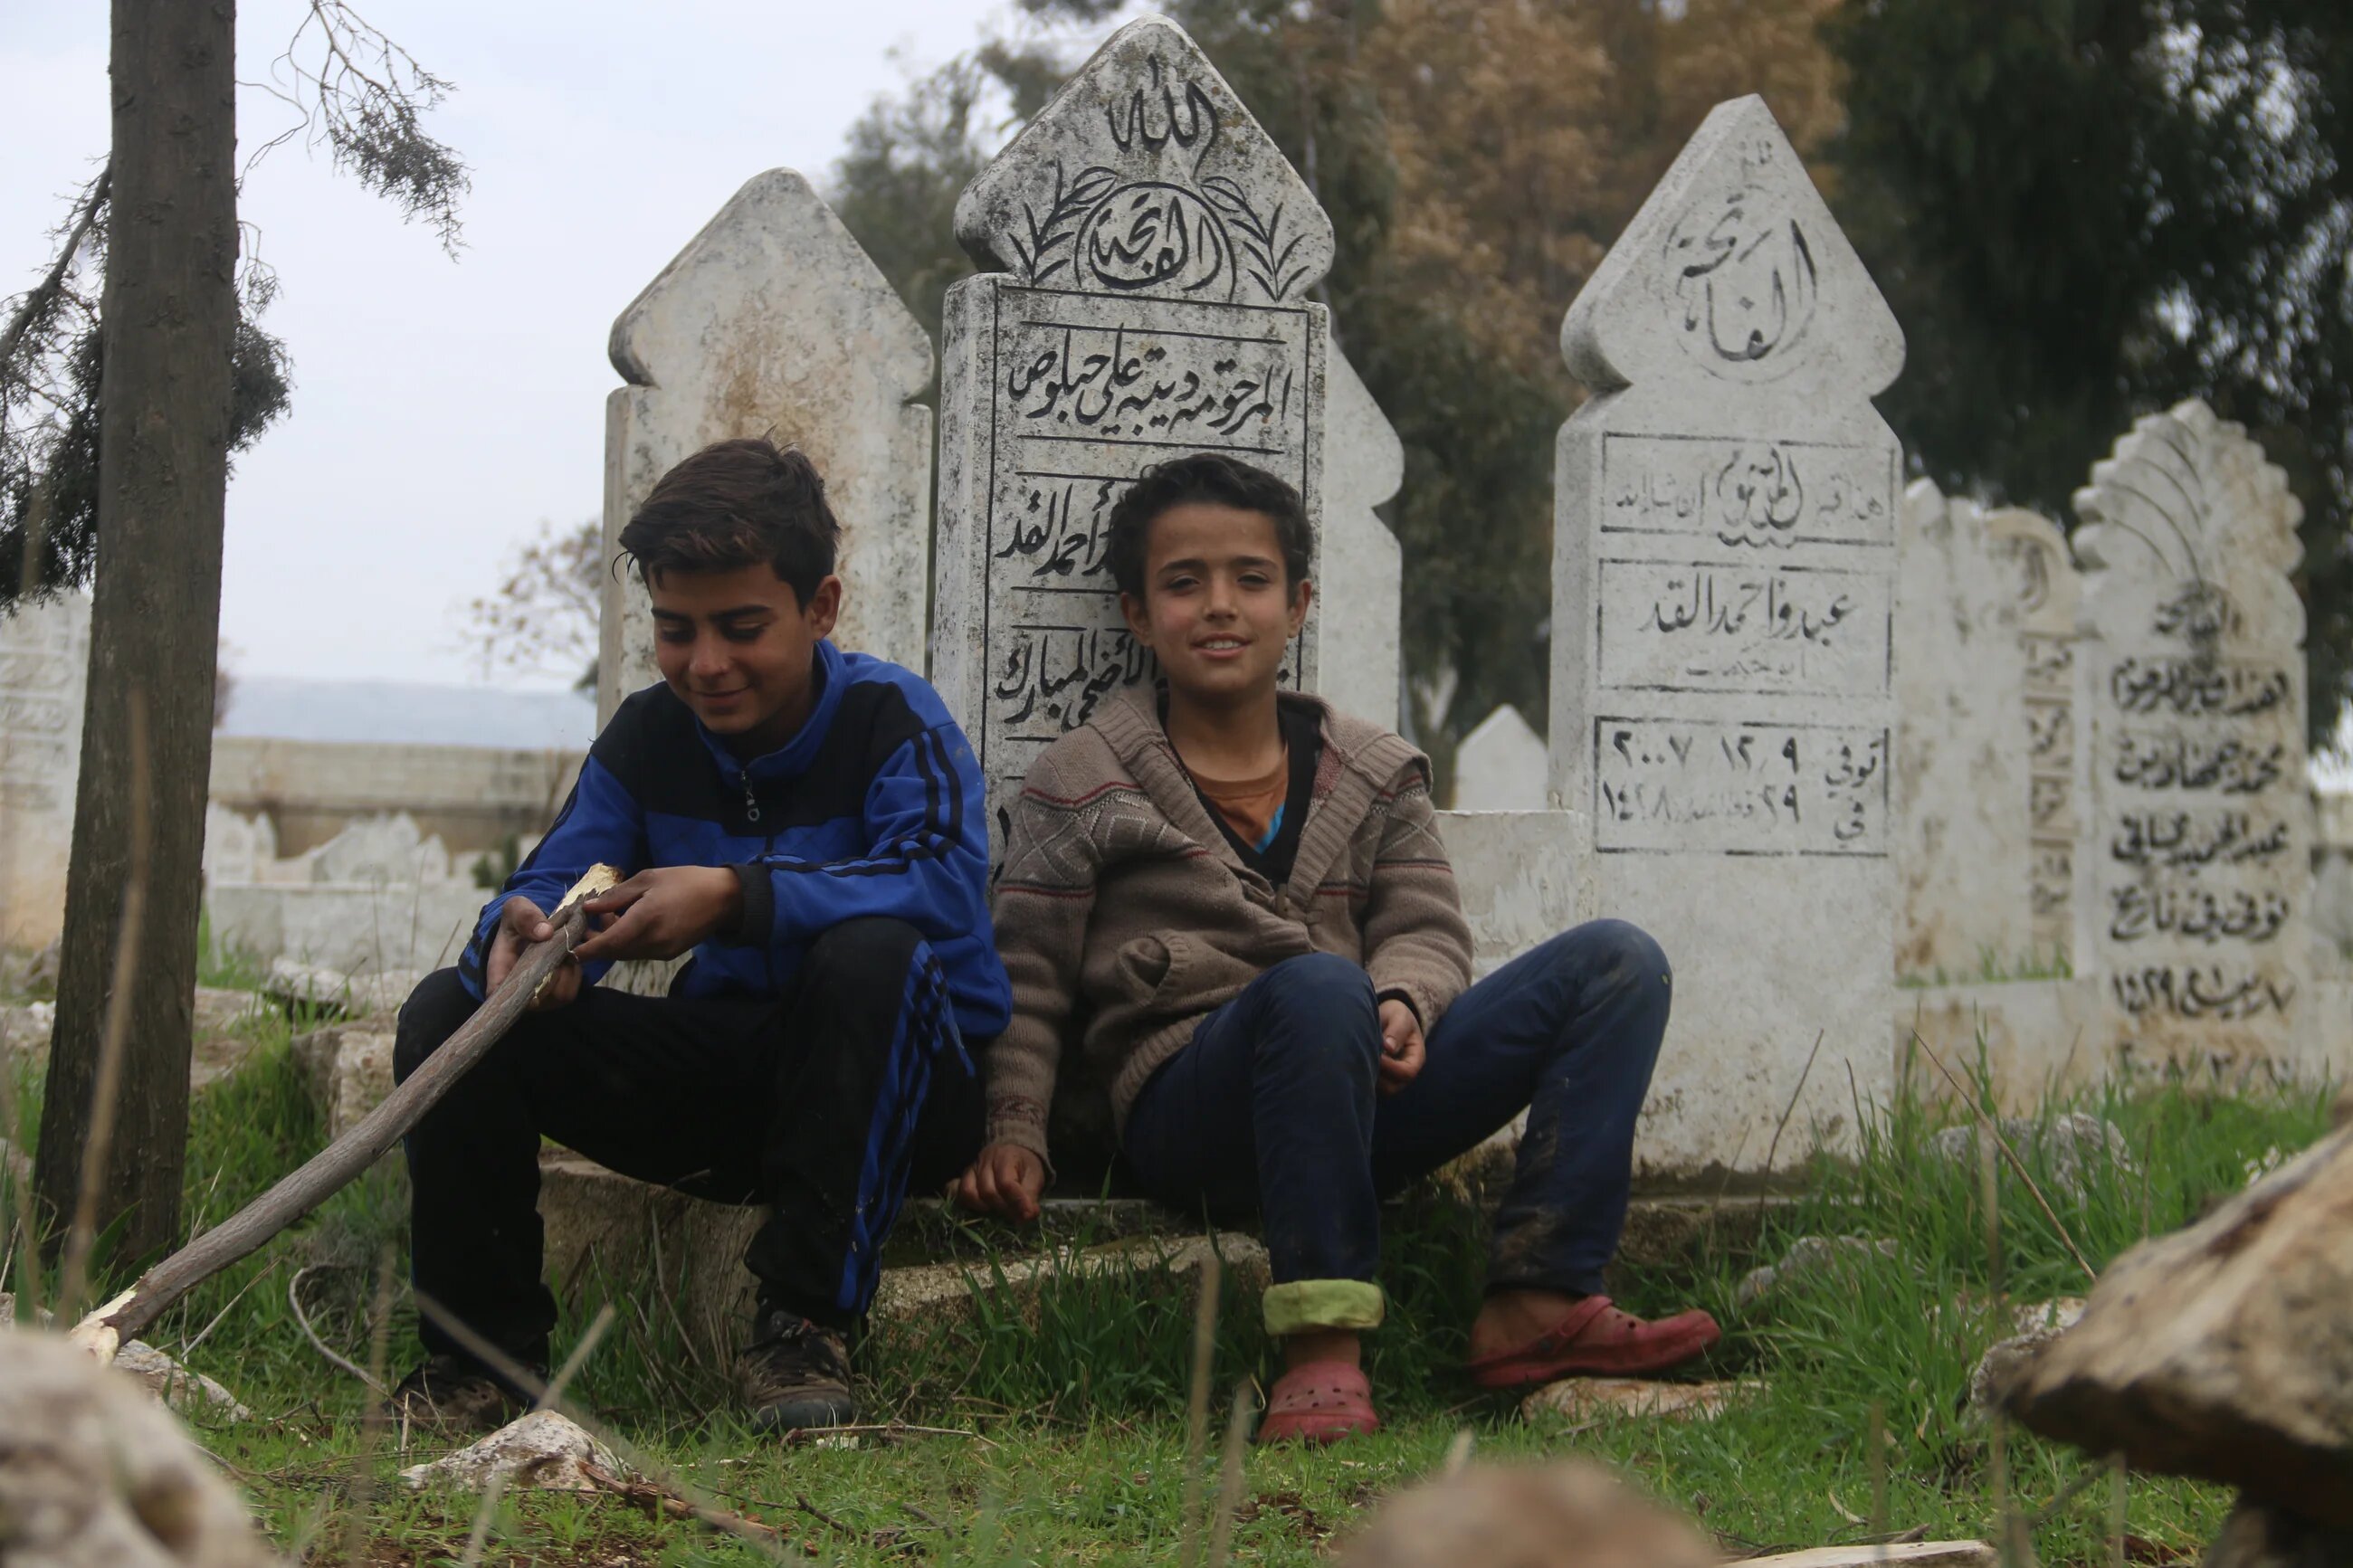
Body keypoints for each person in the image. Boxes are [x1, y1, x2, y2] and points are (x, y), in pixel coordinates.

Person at [955, 452, 1719, 1443]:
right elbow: (1031, 970)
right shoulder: (1084, 775)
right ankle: (1321, 1343)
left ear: (1299, 601)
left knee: (1615, 960)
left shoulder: (1371, 768)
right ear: (1138, 614)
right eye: (1183, 583)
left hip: (1361, 1087)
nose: (1219, 606)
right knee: (1316, 983)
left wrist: (1403, 997)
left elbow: (1423, 924)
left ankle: (1539, 1293)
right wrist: (1014, 1128)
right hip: (1195, 1109)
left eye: (1251, 579)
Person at [389, 438, 1006, 1434]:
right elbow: (557, 870)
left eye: (741, 626)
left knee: (871, 955)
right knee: (453, 1009)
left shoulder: (894, 719)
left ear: (822, 608)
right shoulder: (648, 734)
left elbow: (939, 883)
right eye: (676, 631)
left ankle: (803, 1326)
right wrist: (516, 940)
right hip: (731, 1082)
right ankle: (478, 1362)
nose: (706, 664)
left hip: (899, 1089)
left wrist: (734, 896)